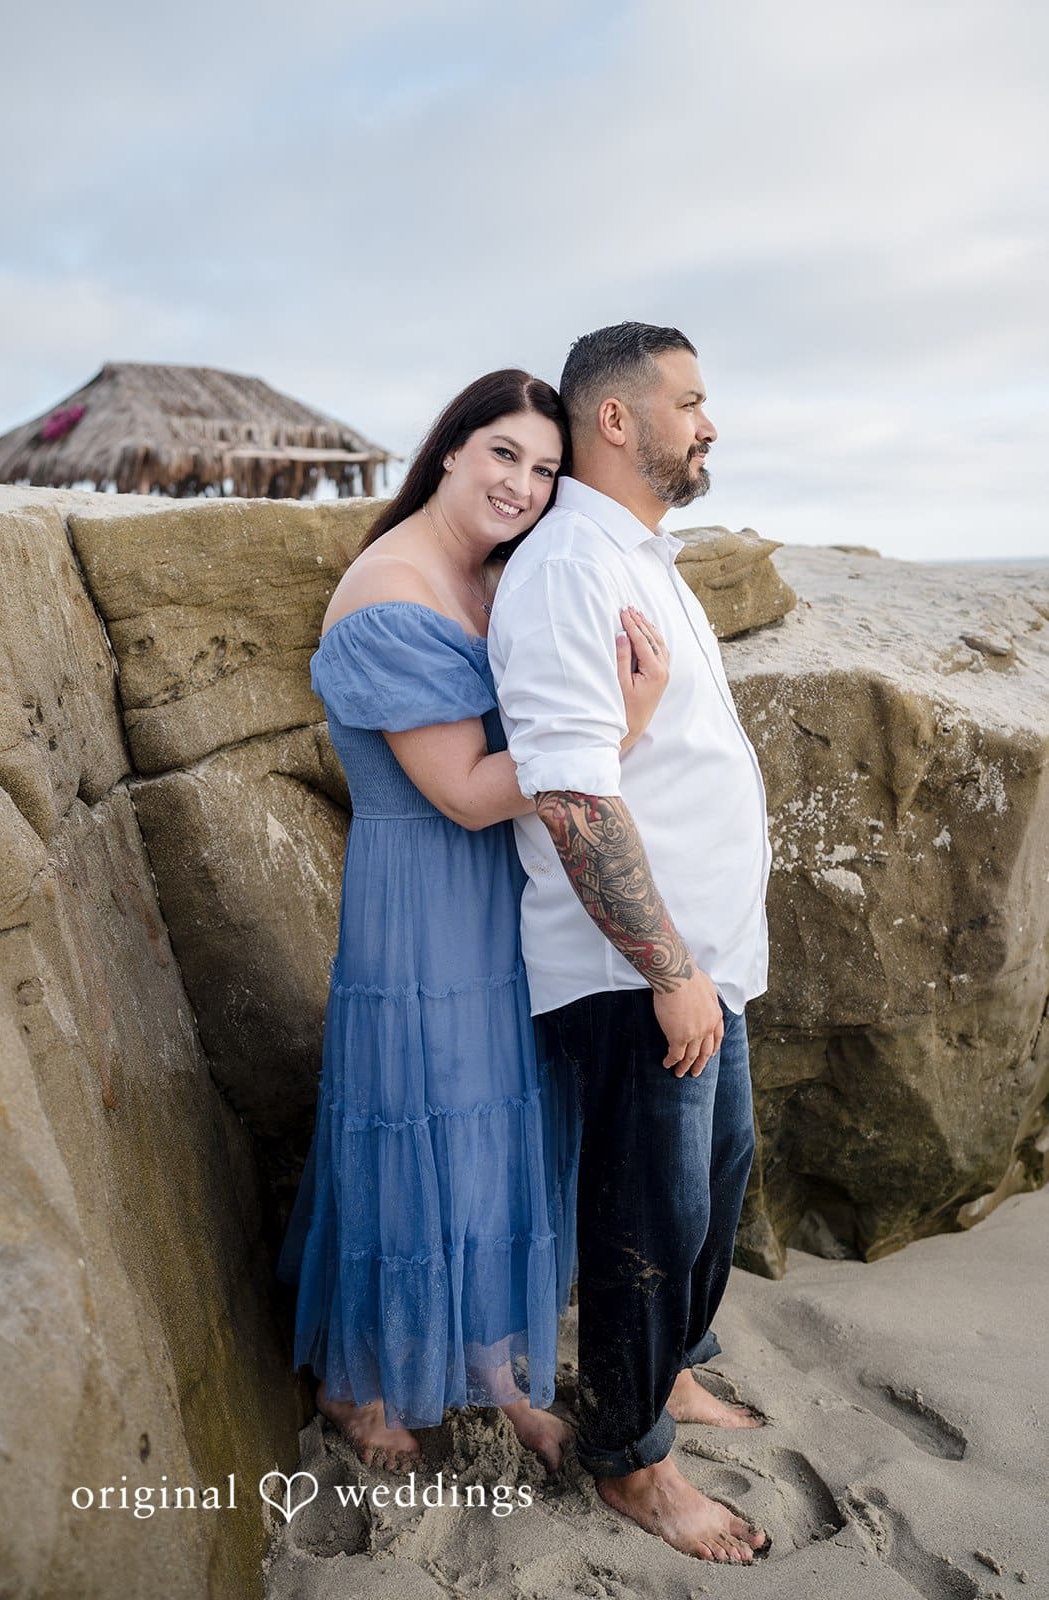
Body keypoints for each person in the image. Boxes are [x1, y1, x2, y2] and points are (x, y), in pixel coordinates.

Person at [277, 368, 670, 1474]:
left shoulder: (488, 573)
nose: (523, 483)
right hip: (423, 899)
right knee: (422, 1124)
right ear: (449, 448)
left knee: (497, 1130)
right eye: (504, 452)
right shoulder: (388, 590)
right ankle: (358, 1382)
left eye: (545, 469)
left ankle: (493, 1373)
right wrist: (616, 733)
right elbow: (457, 788)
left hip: (493, 890)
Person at [487, 324, 773, 1564]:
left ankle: (669, 1382)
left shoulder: (637, 553)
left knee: (714, 1185)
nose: (708, 423)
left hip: (699, 954)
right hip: (630, 967)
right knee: (646, 1221)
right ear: (617, 419)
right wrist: (664, 971)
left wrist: (697, 962)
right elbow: (573, 797)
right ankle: (628, 1458)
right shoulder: (565, 567)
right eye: (690, 401)